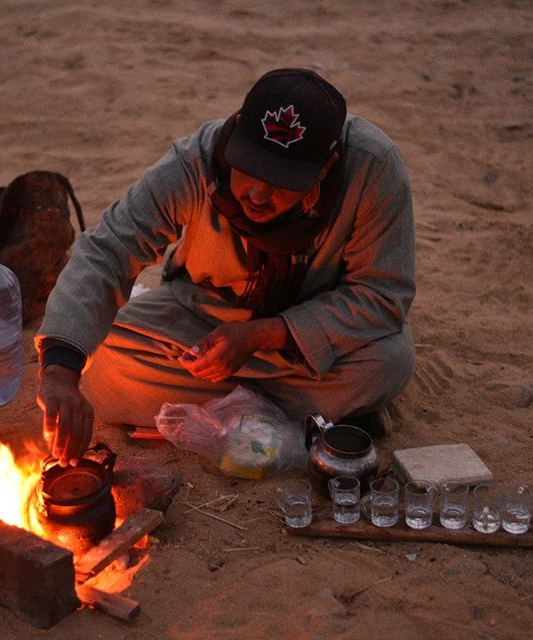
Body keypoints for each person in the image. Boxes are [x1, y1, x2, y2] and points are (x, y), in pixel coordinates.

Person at [36, 68, 415, 466]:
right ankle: (320, 415)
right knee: (101, 361)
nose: (257, 194)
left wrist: (262, 335)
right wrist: (60, 371)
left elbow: (382, 294)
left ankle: (240, 413)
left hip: (309, 337)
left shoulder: (372, 168)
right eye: (249, 168)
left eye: (281, 180)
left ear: (325, 167)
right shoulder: (197, 160)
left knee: (388, 362)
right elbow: (109, 249)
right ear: (234, 138)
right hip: (203, 317)